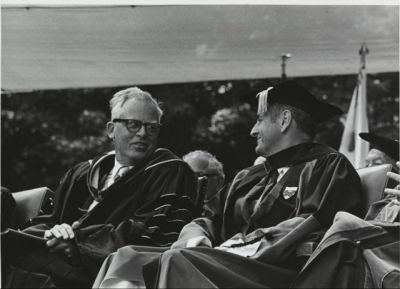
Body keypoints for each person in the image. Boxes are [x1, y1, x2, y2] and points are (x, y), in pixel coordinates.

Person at [93, 80, 363, 288]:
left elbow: (308, 226)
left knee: (177, 261)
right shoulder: (250, 177)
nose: (252, 130)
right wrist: (197, 236)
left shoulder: (328, 166)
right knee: (127, 257)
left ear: (284, 120)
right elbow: (211, 219)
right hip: (230, 262)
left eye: (259, 119)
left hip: (280, 272)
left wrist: (231, 248)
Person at [2, 87, 198, 288]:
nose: (143, 133)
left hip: (108, 270)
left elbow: (154, 233)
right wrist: (57, 231)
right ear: (111, 130)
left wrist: (78, 245)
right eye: (133, 125)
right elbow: (54, 218)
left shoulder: (170, 171)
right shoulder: (83, 172)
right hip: (56, 257)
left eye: (152, 128)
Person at [182, 150, 225, 217]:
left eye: (196, 176)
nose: (188, 183)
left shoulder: (230, 212)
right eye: (184, 178)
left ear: (219, 181)